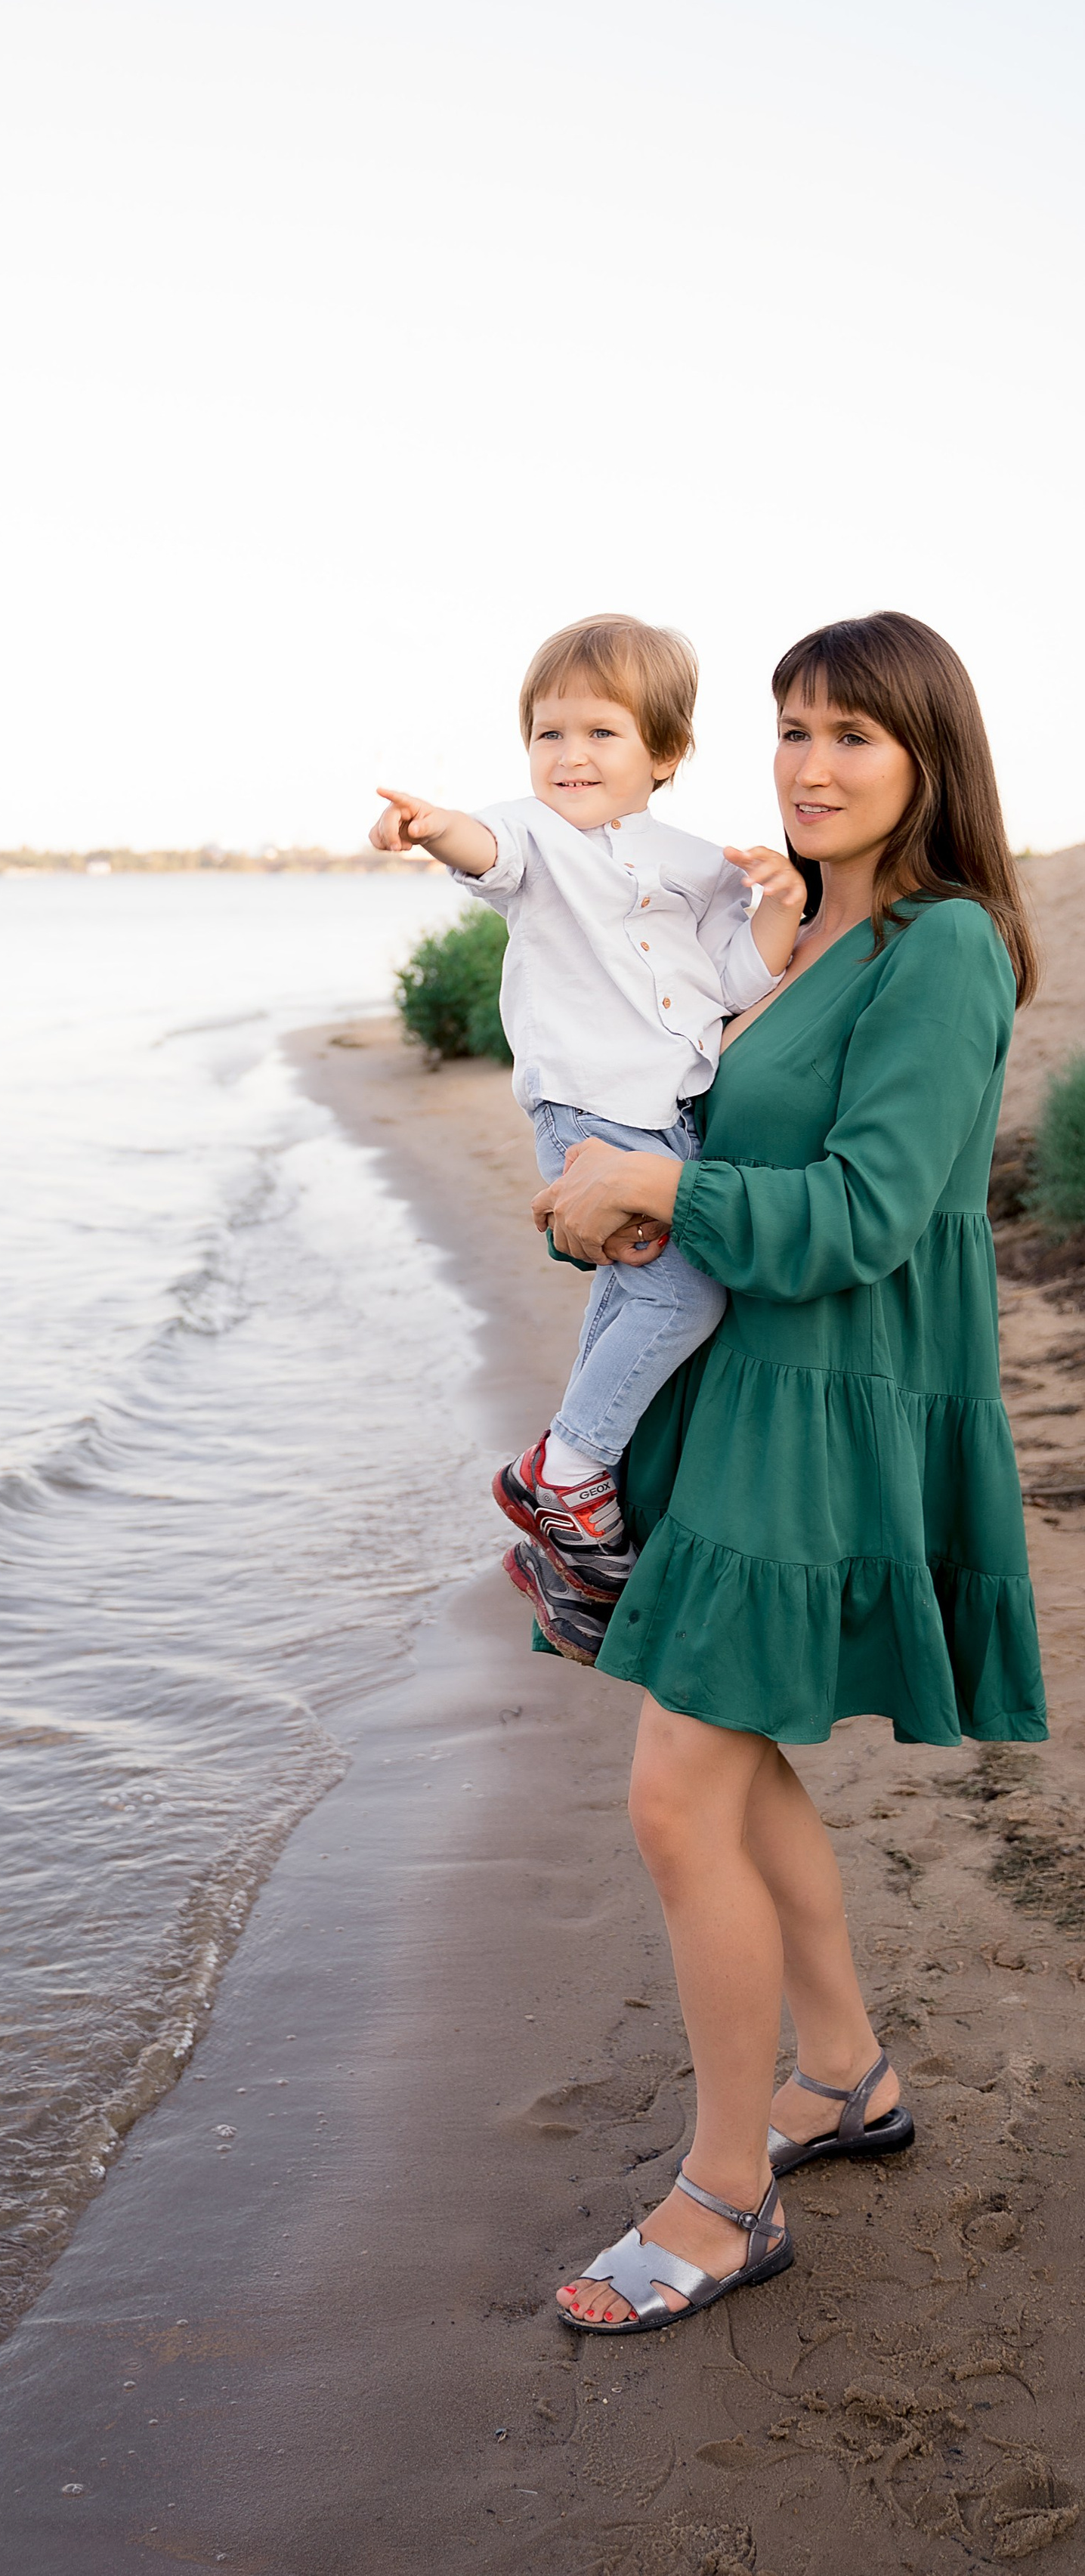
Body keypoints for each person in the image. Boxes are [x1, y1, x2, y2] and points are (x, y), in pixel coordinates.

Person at [535, 611, 1043, 2335]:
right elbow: (703, 1131)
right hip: (742, 1390)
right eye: (790, 731)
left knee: (676, 1794)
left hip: (830, 1406)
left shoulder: (944, 946)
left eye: (851, 738)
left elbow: (867, 1212)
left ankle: (727, 2191)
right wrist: (614, 1200)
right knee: (735, 1775)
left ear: (926, 760)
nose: (809, 768)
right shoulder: (805, 931)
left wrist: (658, 1195)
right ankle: (837, 2074)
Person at [369, 613, 806, 1656]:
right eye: (548, 732)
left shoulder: (702, 866)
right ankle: (570, 1467)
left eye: (600, 733)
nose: (569, 755)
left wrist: (780, 907)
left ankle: (556, 1495)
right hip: (590, 1112)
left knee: (635, 1286)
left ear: (663, 753)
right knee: (683, 1288)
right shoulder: (534, 837)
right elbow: (487, 851)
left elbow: (736, 980)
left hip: (670, 1113)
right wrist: (435, 828)